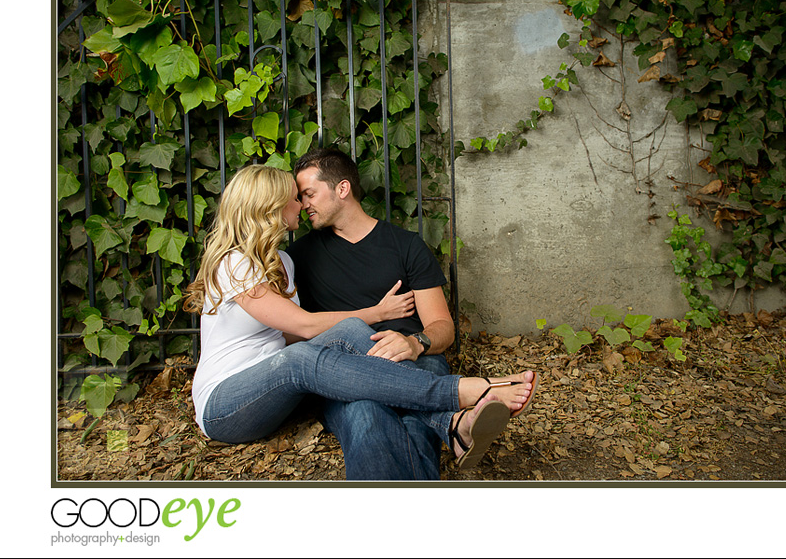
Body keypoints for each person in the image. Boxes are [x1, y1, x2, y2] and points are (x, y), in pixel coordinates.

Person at [183, 164, 538, 473]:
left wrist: (362, 352)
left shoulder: (285, 263)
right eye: (294, 197)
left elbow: (291, 337)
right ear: (269, 206)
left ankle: (452, 424)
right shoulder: (233, 263)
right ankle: (464, 393)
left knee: (344, 334)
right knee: (304, 360)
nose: (301, 204)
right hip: (226, 404)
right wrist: (377, 314)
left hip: (276, 386)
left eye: (304, 194)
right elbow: (303, 327)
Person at [287, 148, 539, 480]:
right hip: (347, 369)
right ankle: (454, 425)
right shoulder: (299, 256)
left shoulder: (406, 246)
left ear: (342, 189)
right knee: (365, 416)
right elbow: (294, 331)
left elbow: (443, 327)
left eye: (309, 194)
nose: (303, 205)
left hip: (414, 357)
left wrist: (416, 342)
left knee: (409, 420)